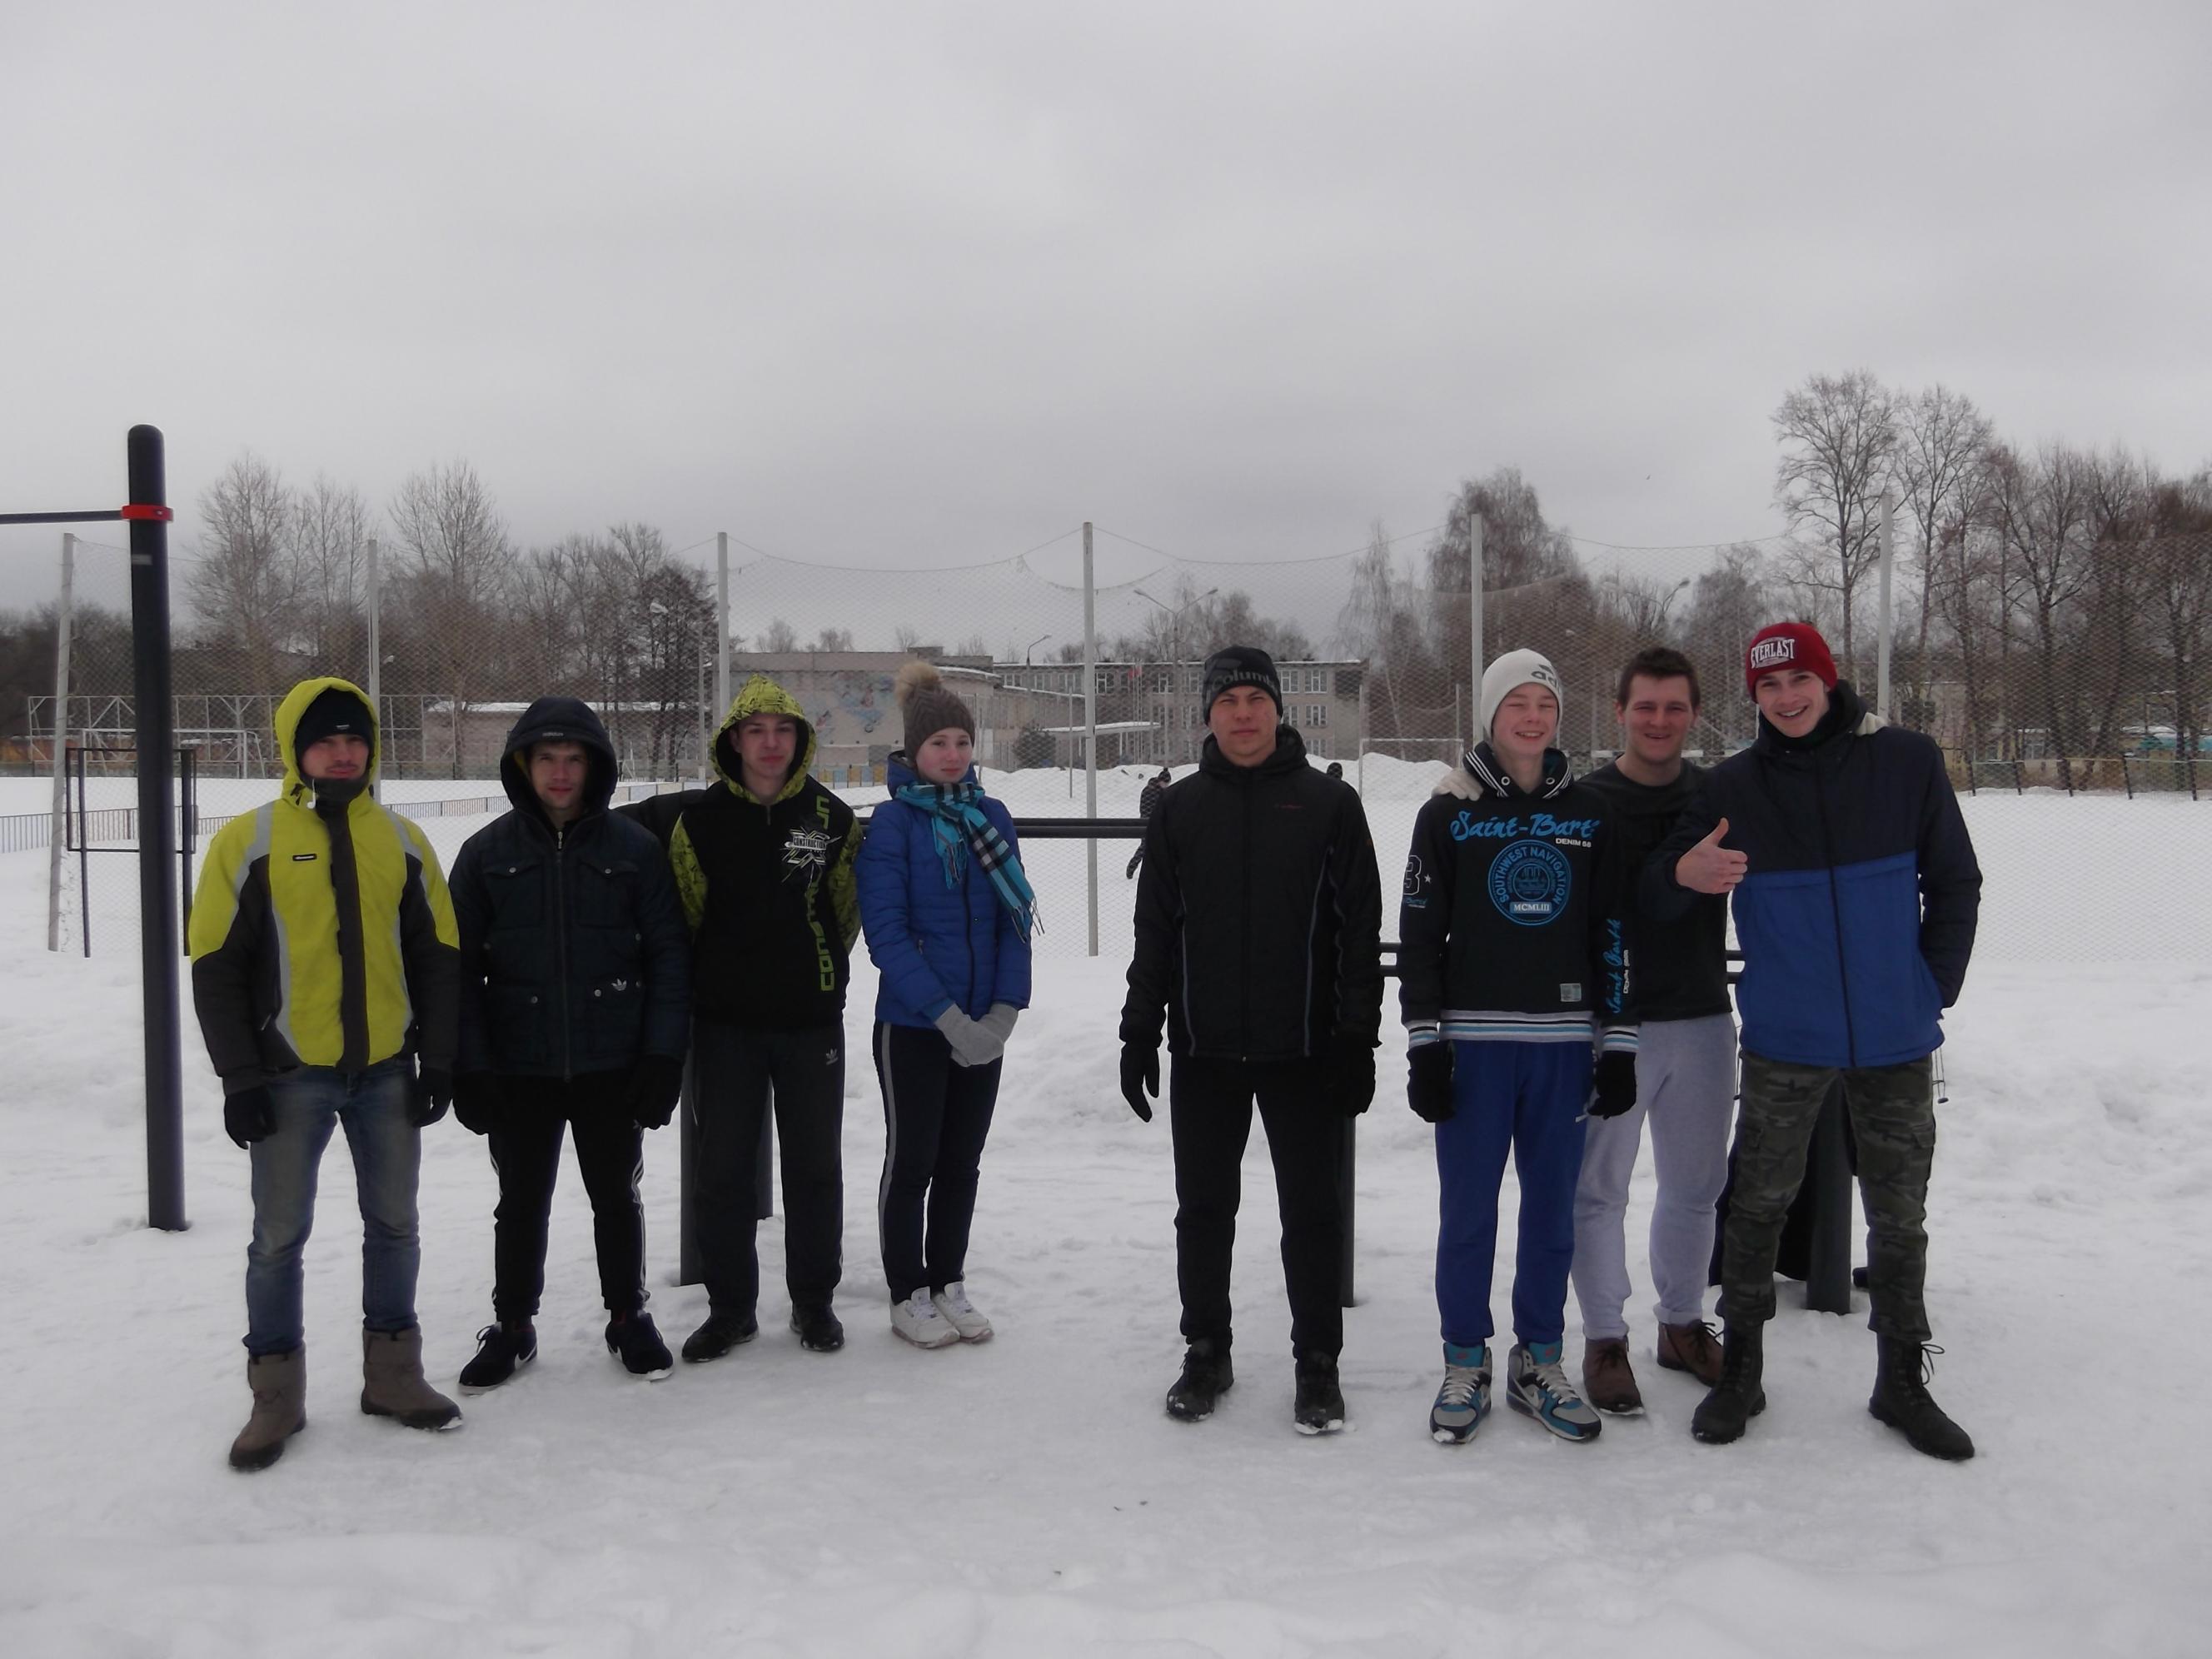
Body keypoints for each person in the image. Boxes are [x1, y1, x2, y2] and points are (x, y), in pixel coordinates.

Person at [1650, 622, 1981, 1460]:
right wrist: (1681, 873)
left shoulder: (1905, 762)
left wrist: (1929, 985)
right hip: (1787, 1038)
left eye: (1799, 679)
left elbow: (1955, 881)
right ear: (1753, 698)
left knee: (1900, 1216)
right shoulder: (1734, 786)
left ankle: (1901, 1378)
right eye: (1768, 686)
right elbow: (1658, 885)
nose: (1786, 697)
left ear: (1828, 681)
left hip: (1895, 1035)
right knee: (1757, 1206)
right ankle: (1741, 1369)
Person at [188, 677, 463, 1471]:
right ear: (294, 751)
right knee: (277, 1239)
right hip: (288, 1076)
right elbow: (215, 966)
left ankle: (394, 1375)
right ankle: (275, 1396)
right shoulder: (249, 842)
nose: (343, 754)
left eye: (355, 740)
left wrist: (439, 1059)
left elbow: (439, 957)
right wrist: (240, 1077)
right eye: (325, 741)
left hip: (386, 1072)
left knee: (396, 1226)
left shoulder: (403, 840)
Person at [1119, 645, 1382, 1434]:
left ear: (1277, 710)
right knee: (1203, 1212)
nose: (1243, 714)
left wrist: (1356, 1038)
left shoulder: (1330, 806)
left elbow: (1359, 934)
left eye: (1255, 700)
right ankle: (1207, 1351)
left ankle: (1318, 1365)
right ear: (1208, 713)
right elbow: (1155, 932)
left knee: (1312, 1214)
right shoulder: (1180, 810)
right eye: (1228, 701)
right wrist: (1139, 1032)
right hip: (1204, 1051)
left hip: (1303, 1051)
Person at [1397, 649, 1636, 1447]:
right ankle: (1464, 1359)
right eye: (1516, 704)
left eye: (1545, 704)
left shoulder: (1591, 813)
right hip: (1475, 1048)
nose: (1532, 718)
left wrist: (1619, 1042)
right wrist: (1424, 1042)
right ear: (1490, 715)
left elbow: (1613, 928)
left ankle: (1539, 1361)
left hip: (1562, 1049)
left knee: (1552, 1215)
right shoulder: (1448, 813)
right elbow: (1420, 937)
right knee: (1468, 1214)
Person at [447, 697, 691, 1389]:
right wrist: (471, 1065)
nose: (560, 773)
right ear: (523, 766)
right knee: (520, 1201)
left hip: (611, 1060)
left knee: (616, 1196)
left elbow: (669, 957)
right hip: (518, 1065)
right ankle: (513, 1326)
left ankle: (628, 1315)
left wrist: (662, 1056)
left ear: (595, 767)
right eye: (547, 759)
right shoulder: (485, 855)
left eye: (574, 759)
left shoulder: (634, 852)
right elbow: (454, 969)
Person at [632, 674, 862, 1362]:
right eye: (756, 731)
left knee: (814, 1168)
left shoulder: (831, 819)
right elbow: (688, 914)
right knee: (723, 1171)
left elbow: (844, 913)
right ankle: (730, 1309)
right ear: (733, 741)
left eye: (782, 730)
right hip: (725, 1025)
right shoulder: (700, 822)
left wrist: (815, 971)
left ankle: (814, 1302)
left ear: (800, 740)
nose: (770, 743)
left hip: (810, 1024)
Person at [1569, 647, 1733, 1414]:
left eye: (1674, 707)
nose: (1659, 721)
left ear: (1695, 713)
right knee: (1599, 1190)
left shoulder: (1717, 795)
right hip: (1614, 1024)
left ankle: (1682, 1323)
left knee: (1697, 1187)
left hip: (1702, 1015)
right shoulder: (1588, 801)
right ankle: (1605, 1338)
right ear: (1620, 712)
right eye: (1646, 707)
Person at [856, 661, 1033, 1348]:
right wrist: (948, 1019)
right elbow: (888, 935)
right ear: (913, 750)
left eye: (962, 742)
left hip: (984, 1027)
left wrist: (1001, 1015)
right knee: (913, 1164)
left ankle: (948, 1281)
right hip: (914, 1026)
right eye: (939, 743)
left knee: (962, 1163)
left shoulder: (992, 818)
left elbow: (1013, 922)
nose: (953, 755)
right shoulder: (894, 825)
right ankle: (907, 1292)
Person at [1125, 766, 1173, 879]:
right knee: (1146, 847)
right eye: (1166, 783)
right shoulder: (1154, 792)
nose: (1167, 786)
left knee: (1150, 847)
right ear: (1161, 781)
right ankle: (1132, 867)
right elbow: (1155, 808)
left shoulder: (1154, 790)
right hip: (1148, 822)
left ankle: (1138, 868)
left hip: (1151, 822)